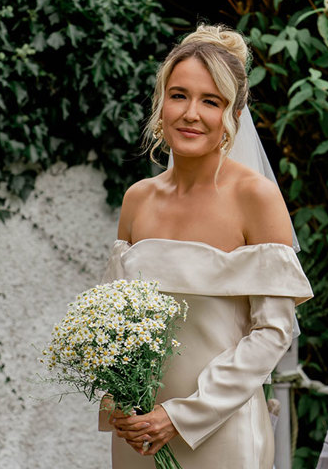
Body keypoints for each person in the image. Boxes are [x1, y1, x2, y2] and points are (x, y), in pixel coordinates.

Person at [100, 24, 313, 469]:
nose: (190, 113)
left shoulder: (255, 198)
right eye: (178, 95)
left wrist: (180, 417)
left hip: (220, 436)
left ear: (233, 115)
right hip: (137, 437)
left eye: (210, 101)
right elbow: (110, 326)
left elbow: (272, 332)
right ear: (161, 105)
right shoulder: (137, 199)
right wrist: (122, 403)